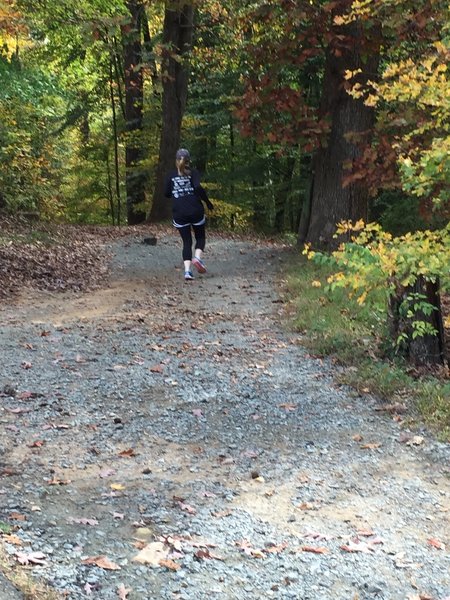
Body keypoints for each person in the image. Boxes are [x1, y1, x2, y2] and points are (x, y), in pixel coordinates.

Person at [164, 148, 214, 281]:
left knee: (186, 242)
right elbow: (198, 187)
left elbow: (166, 193)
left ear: (176, 160)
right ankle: (197, 258)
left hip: (179, 212)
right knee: (200, 237)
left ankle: (187, 272)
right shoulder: (194, 173)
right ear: (188, 161)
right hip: (195, 209)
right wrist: (207, 202)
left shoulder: (170, 175)